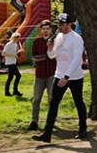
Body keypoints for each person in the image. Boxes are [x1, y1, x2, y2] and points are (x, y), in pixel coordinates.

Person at [33, 14, 87, 142]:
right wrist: (50, 48)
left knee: (78, 101)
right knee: (53, 104)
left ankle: (83, 129)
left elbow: (76, 60)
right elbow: (52, 56)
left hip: (74, 77)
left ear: (69, 24)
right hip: (59, 74)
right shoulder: (58, 36)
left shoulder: (76, 39)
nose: (59, 26)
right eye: (58, 24)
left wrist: (66, 77)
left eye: (62, 24)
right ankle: (47, 134)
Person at [28, 20, 56, 131]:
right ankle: (34, 122)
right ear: (41, 30)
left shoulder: (54, 41)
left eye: (47, 29)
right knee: (36, 99)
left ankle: (50, 122)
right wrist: (40, 58)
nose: (45, 31)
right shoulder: (37, 41)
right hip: (39, 75)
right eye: (43, 29)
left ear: (50, 30)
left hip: (51, 74)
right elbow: (33, 57)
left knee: (51, 99)